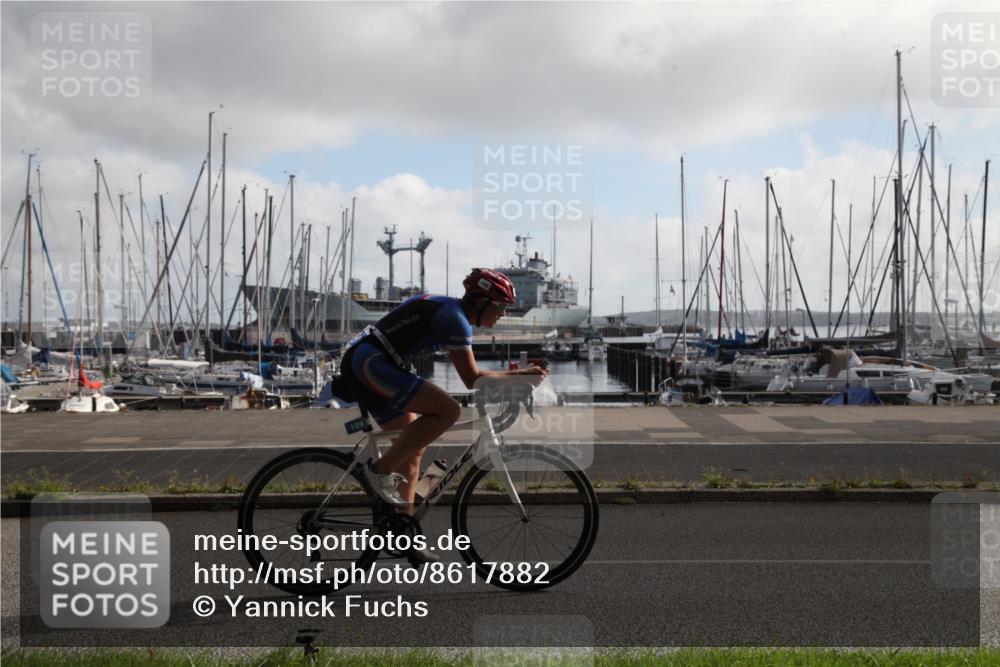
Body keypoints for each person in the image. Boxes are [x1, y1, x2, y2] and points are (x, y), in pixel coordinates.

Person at [338, 268, 548, 562]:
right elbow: (472, 379)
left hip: (372, 361)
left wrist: (514, 380)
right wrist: (521, 377)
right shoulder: (456, 320)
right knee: (449, 410)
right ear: (479, 302)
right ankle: (379, 471)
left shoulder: (452, 310)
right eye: (499, 307)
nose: (501, 314)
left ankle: (403, 535)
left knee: (412, 451)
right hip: (371, 363)